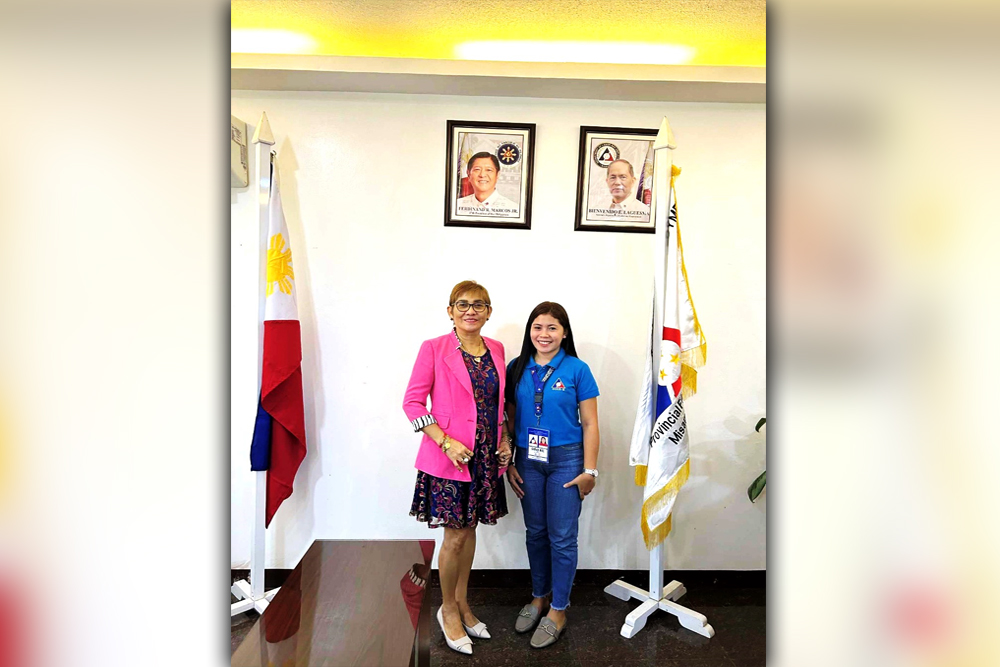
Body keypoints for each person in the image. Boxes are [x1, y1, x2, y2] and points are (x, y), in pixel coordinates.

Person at [403, 280, 513, 656]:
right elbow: (413, 405)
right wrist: (445, 441)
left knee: (469, 530)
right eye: (462, 304)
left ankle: (463, 602)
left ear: (489, 311)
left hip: (485, 460)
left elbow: (496, 406)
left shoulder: (496, 349)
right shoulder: (433, 349)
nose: (471, 310)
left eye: (479, 304)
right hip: (450, 459)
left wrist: (503, 440)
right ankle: (447, 609)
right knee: (454, 537)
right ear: (450, 310)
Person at [504, 302, 600, 649]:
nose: (544, 335)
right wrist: (511, 461)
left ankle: (559, 608)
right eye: (537, 328)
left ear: (565, 333)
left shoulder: (577, 369)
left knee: (561, 537)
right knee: (536, 533)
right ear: (530, 332)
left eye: (552, 328)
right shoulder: (516, 368)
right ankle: (539, 596)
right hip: (528, 459)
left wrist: (590, 470)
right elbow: (511, 422)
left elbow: (590, 423)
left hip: (566, 460)